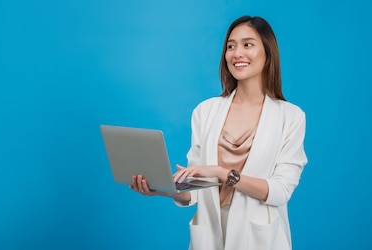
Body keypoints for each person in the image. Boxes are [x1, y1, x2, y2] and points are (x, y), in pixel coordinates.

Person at [129, 15, 307, 250]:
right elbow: (194, 191)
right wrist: (163, 189)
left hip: (258, 239)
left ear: (268, 52)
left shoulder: (291, 117)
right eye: (230, 46)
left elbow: (280, 191)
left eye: (247, 45)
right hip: (210, 237)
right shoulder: (206, 111)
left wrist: (223, 173)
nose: (236, 53)